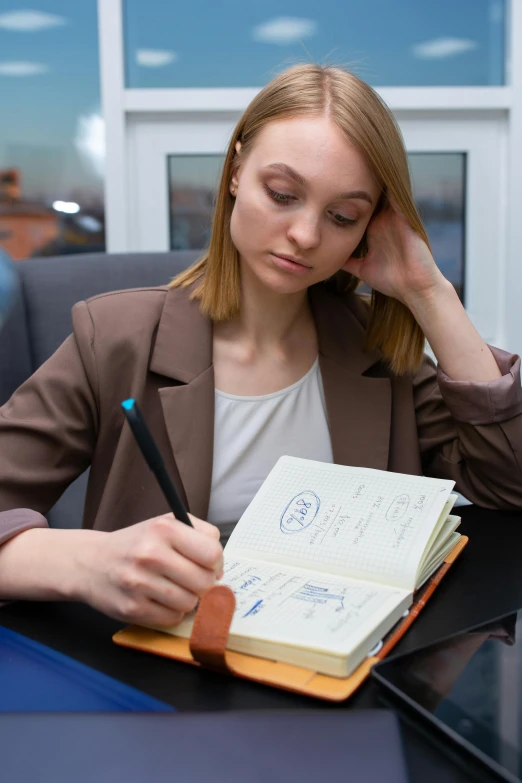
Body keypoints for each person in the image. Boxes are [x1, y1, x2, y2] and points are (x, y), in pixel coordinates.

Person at [0, 64, 521, 629]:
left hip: (339, 683)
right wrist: (88, 563)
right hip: (158, 687)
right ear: (234, 171)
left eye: (343, 216)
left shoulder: (375, 350)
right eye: (282, 194)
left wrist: (429, 292)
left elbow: (508, 481)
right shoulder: (115, 337)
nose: (306, 235)